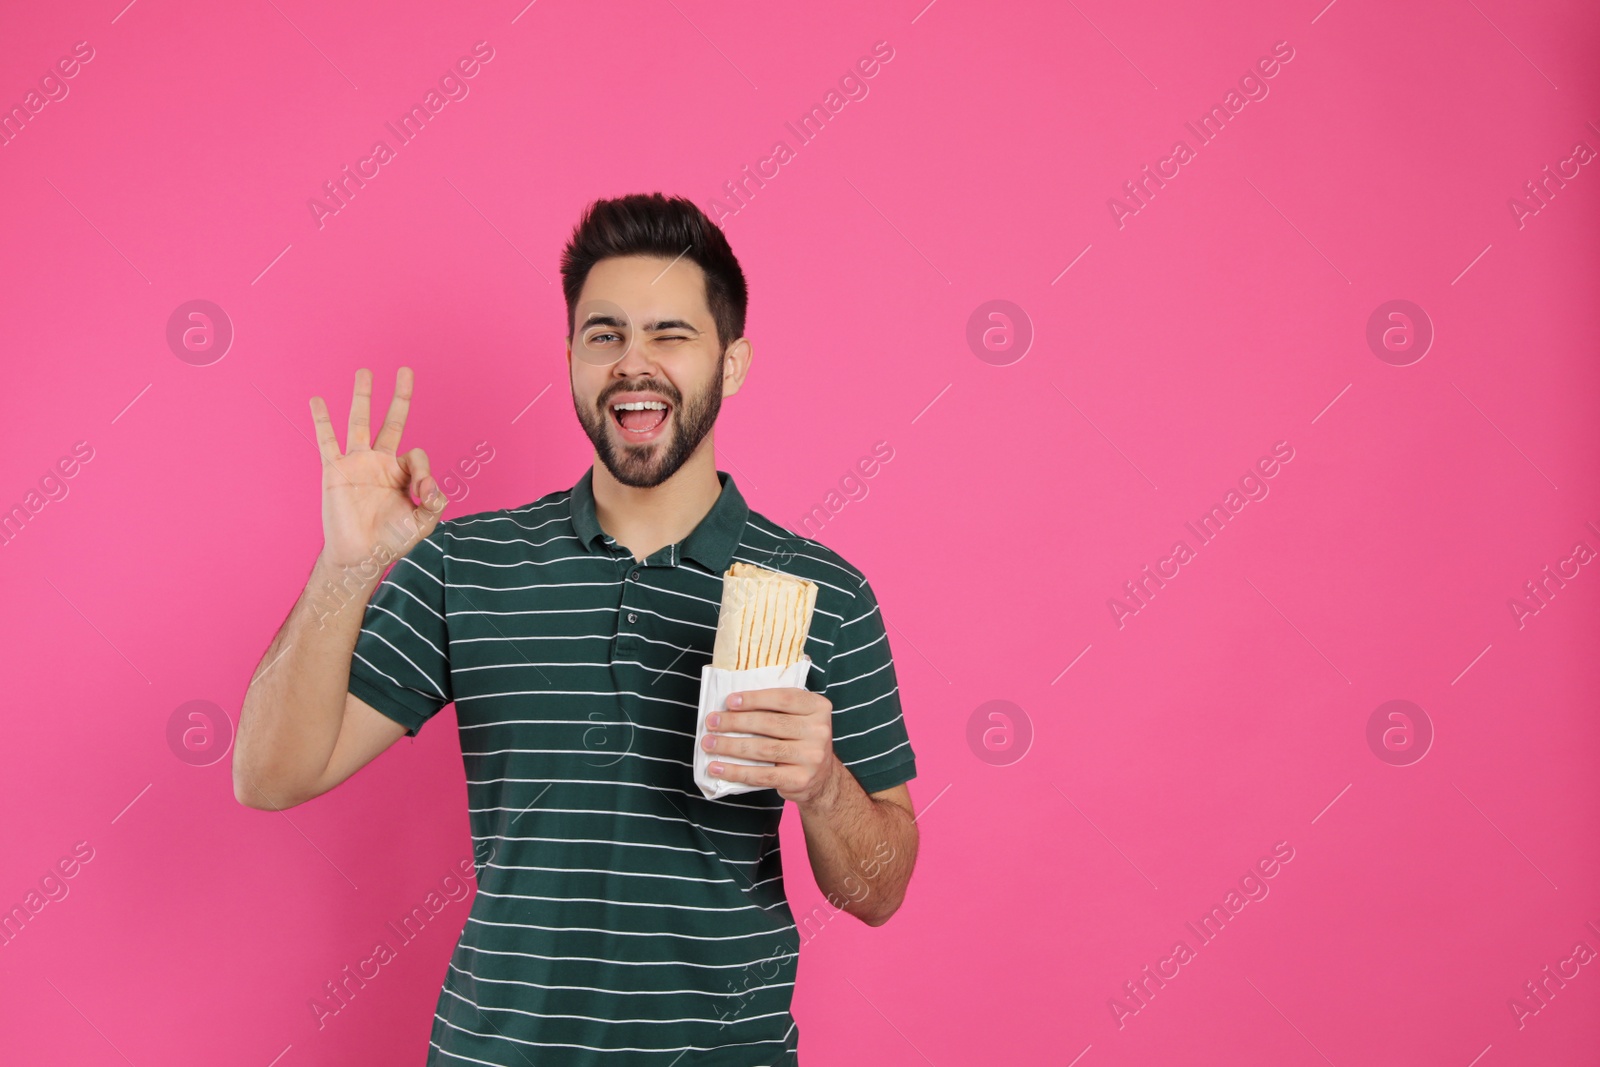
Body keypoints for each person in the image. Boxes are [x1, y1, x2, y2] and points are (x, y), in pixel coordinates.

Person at [233, 192, 920, 1065]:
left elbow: (881, 890)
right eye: (605, 335)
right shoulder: (465, 564)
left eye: (671, 333)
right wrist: (344, 571)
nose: (634, 364)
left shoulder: (825, 590)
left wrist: (821, 784)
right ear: (570, 358)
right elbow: (267, 775)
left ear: (732, 362)